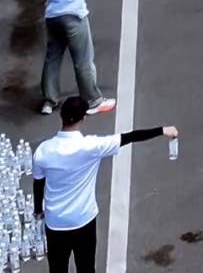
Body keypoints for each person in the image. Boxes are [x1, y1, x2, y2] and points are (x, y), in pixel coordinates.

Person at [32, 96, 177, 273]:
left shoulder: (43, 151)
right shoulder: (92, 146)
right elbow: (130, 137)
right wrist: (162, 130)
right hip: (83, 220)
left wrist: (38, 212)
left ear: (61, 116)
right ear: (83, 118)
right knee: (86, 267)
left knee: (57, 268)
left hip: (55, 223)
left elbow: (38, 184)